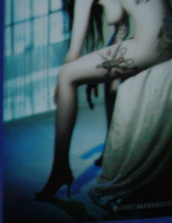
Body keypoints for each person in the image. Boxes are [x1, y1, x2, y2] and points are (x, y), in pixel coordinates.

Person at [36, 0, 172, 200]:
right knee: (104, 81)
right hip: (165, 41)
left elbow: (73, 55)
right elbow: (122, 29)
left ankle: (60, 169)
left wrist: (65, 80)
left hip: (152, 46)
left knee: (66, 75)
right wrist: (96, 70)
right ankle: (76, 163)